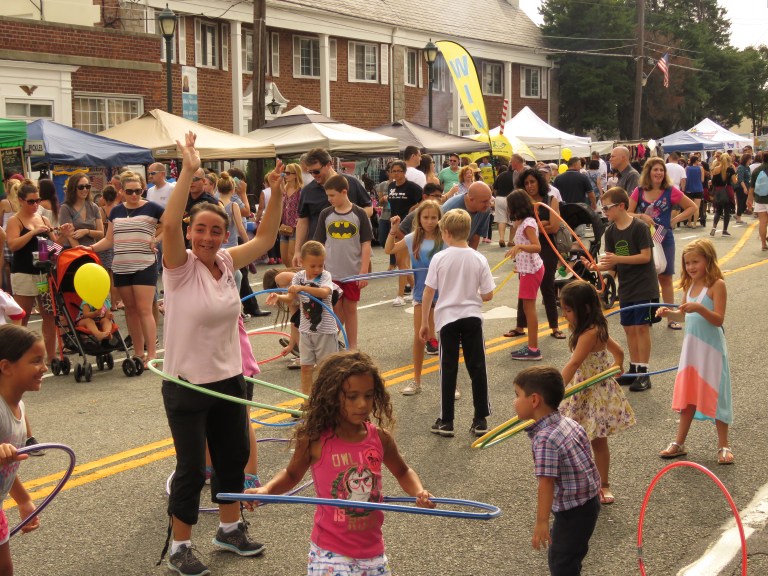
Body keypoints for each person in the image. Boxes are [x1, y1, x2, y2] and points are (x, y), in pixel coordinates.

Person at [157, 132, 282, 575]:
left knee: (230, 459)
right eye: (201, 230)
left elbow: (266, 238)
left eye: (216, 230)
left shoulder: (228, 262)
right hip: (187, 383)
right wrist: (189, 169)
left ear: (224, 233)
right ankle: (179, 548)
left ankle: (229, 530)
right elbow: (168, 226)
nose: (208, 238)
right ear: (191, 233)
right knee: (192, 468)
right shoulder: (179, 268)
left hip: (230, 379)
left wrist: (277, 193)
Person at [247, 350, 434, 574]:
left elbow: (403, 471)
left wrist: (419, 492)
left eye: (368, 395)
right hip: (331, 552)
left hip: (373, 551)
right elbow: (291, 475)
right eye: (352, 396)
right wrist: (266, 490)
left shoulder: (379, 438)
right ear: (332, 396)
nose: (362, 404)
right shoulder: (315, 439)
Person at [513, 366, 600, 576]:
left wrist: (541, 522)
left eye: (517, 395)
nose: (514, 401)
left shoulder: (545, 439)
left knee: (561, 562)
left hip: (573, 511)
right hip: (588, 502)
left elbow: (547, 482)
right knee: (570, 555)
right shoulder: (569, 422)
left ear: (534, 400)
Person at [558, 281, 635, 505]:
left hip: (594, 393)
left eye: (569, 310)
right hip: (583, 388)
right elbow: (618, 351)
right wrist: (618, 363)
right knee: (576, 438)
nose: (565, 315)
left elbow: (573, 364)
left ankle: (604, 485)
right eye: (563, 310)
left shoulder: (591, 332)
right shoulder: (592, 327)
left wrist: (556, 390)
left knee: (597, 441)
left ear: (586, 309)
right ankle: (582, 481)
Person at [656, 239, 733, 464]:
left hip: (711, 352)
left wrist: (698, 307)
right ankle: (679, 442)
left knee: (717, 395)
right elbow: (684, 314)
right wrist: (668, 314)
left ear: (708, 260)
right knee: (687, 395)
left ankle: (723, 445)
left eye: (695, 262)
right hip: (691, 352)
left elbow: (718, 320)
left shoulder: (717, 285)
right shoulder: (689, 286)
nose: (690, 267)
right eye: (687, 262)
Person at [420, 209, 495, 438]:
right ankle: (480, 418)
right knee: (477, 367)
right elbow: (488, 294)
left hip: (447, 319)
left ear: (447, 232)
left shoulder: (440, 258)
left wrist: (425, 322)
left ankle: (446, 421)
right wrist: (476, 293)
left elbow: (429, 291)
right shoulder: (479, 258)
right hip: (472, 316)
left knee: (448, 369)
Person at [587, 187, 659, 393]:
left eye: (607, 208)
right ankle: (634, 367)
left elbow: (646, 257)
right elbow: (610, 263)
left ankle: (644, 372)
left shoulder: (639, 227)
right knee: (629, 328)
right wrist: (595, 267)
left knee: (641, 328)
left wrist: (617, 259)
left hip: (644, 286)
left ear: (621, 206)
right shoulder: (610, 231)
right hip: (626, 287)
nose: (604, 212)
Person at [89, 171, 163, 368]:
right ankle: (138, 353)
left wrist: (155, 239)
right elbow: (109, 239)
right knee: (130, 310)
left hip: (144, 264)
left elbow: (171, 225)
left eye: (138, 190)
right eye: (129, 191)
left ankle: (152, 354)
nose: (134, 195)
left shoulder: (153, 208)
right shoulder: (116, 211)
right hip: (121, 265)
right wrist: (90, 248)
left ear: (142, 188)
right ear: (121, 191)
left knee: (145, 309)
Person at [6, 179, 70, 365]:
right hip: (24, 273)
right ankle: (18, 358)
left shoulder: (43, 218)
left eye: (38, 200)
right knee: (22, 316)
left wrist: (64, 236)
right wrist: (32, 233)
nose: (35, 205)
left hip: (43, 273)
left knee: (49, 316)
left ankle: (51, 356)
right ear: (20, 200)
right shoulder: (14, 220)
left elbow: (55, 248)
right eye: (31, 201)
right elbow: (12, 245)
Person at [629, 157, 696, 329]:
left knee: (665, 277)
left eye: (661, 170)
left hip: (663, 237)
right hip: (644, 238)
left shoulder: (670, 191)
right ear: (648, 172)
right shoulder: (639, 191)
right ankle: (648, 315)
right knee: (646, 277)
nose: (659, 173)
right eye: (655, 170)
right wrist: (641, 216)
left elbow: (691, 207)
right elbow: (627, 213)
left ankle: (670, 318)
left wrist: (674, 220)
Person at [266, 241, 339, 398]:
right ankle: (307, 401)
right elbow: (292, 299)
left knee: (325, 368)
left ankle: (326, 400)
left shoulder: (325, 276)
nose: (317, 269)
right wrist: (278, 296)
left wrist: (303, 288)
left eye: (320, 265)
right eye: (313, 266)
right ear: (302, 262)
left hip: (325, 331)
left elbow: (324, 293)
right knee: (305, 367)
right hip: (306, 331)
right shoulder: (298, 277)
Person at [385, 200, 444, 395]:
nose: (429, 221)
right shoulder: (412, 238)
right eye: (425, 217)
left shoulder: (445, 237)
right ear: (419, 218)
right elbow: (389, 250)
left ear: (439, 218)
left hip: (444, 295)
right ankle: (416, 381)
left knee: (444, 340)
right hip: (421, 294)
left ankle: (450, 383)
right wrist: (393, 230)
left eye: (433, 217)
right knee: (420, 338)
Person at [0, 325, 45, 575]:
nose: (45, 368)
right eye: (36, 361)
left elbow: (7, 466)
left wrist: (24, 500)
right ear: (6, 367)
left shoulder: (20, 407)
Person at [314, 175, 372, 351]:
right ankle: (328, 344)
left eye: (332, 195)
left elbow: (366, 244)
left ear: (344, 192)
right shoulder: (326, 214)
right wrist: (318, 270)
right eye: (328, 196)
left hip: (352, 272)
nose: (329, 199)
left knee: (351, 309)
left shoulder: (359, 213)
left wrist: (363, 272)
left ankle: (352, 346)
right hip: (331, 273)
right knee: (335, 310)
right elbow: (319, 244)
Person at [505, 169, 565, 341]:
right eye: (526, 183)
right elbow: (518, 227)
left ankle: (554, 327)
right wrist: (540, 225)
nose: (530, 186)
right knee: (524, 291)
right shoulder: (522, 203)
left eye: (533, 181)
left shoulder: (550, 200)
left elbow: (554, 226)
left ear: (540, 182)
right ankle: (519, 326)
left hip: (546, 247)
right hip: (527, 250)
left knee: (548, 287)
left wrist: (532, 229)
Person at [293, 148, 372, 267]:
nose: (314, 176)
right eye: (310, 172)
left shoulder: (350, 182)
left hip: (351, 251)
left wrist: (349, 216)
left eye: (316, 171)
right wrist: (297, 251)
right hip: (321, 253)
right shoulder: (308, 190)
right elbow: (303, 221)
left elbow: (369, 208)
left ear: (329, 164)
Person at [506, 190, 545, 361]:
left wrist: (519, 248)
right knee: (527, 308)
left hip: (531, 270)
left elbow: (537, 247)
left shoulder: (528, 223)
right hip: (528, 269)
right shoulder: (524, 222)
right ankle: (531, 345)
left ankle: (533, 349)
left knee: (529, 309)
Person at [385, 160, 421, 307]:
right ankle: (414, 288)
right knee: (402, 262)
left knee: (402, 261)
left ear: (404, 172)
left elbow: (423, 201)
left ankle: (400, 295)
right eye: (394, 171)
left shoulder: (413, 187)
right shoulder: (391, 186)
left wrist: (413, 209)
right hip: (395, 225)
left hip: (408, 226)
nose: (396, 174)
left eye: (399, 171)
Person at [440, 181, 492, 250]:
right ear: (471, 199)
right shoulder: (450, 208)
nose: (488, 204)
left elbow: (476, 235)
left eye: (489, 200)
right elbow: (440, 236)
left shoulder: (485, 210)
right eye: (484, 201)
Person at [58, 173, 104, 248]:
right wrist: (82, 253)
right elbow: (70, 236)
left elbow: (101, 233)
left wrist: (87, 231)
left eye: (87, 186)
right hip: (74, 252)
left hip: (91, 250)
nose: (85, 189)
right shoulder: (66, 208)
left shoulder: (94, 207)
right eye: (81, 187)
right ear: (73, 188)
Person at [278, 162, 302, 268]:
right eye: (284, 173)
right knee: (284, 257)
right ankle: (292, 275)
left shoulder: (300, 190)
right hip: (285, 226)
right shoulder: (284, 189)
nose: (285, 175)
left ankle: (294, 277)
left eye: (288, 173)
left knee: (291, 256)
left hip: (296, 227)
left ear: (296, 174)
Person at [709, 153, 737, 237]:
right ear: (729, 160)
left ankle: (714, 227)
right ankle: (724, 231)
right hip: (727, 192)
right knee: (727, 212)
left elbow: (713, 182)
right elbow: (735, 181)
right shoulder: (731, 169)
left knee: (718, 211)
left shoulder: (716, 169)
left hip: (718, 192)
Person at [493, 161, 516, 247]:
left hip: (499, 198)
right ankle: (510, 240)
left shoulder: (501, 175)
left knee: (501, 220)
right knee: (513, 220)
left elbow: (495, 189)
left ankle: (501, 238)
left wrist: (496, 197)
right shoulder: (516, 176)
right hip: (511, 199)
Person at [748, 151, 768, 251]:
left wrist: (749, 199)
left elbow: (752, 187)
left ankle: (763, 244)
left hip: (760, 199)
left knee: (762, 222)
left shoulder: (757, 170)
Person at [684, 155, 705, 228]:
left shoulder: (687, 168)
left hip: (689, 189)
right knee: (697, 207)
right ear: (696, 161)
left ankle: (689, 222)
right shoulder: (701, 168)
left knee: (689, 207)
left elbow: (685, 179)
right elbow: (702, 180)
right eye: (698, 160)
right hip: (698, 189)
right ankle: (695, 224)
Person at [734, 152, 752, 225]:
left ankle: (738, 215)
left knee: (745, 203)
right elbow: (740, 179)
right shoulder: (741, 167)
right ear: (746, 159)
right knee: (741, 202)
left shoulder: (747, 167)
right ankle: (738, 218)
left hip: (747, 186)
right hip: (741, 187)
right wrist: (744, 188)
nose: (750, 160)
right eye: (750, 159)